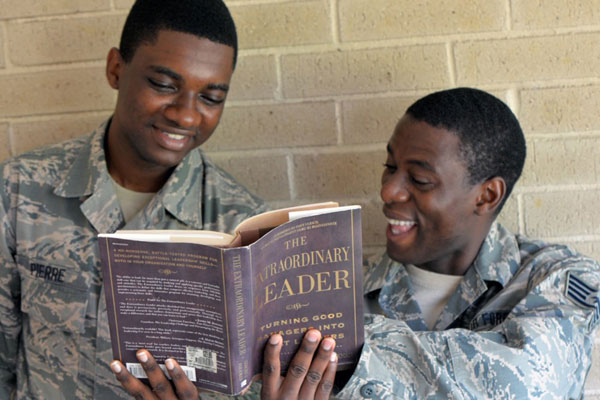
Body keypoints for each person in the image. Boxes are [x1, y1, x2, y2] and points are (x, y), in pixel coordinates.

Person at [0, 0, 268, 399]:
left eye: (211, 98)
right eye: (164, 85)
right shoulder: (20, 188)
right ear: (115, 70)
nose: (186, 116)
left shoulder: (243, 229)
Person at [262, 87, 599, 398]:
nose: (388, 191)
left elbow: (525, 383)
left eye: (420, 180)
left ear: (486, 195)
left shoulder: (557, 277)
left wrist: (341, 351)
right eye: (389, 166)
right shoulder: (337, 291)